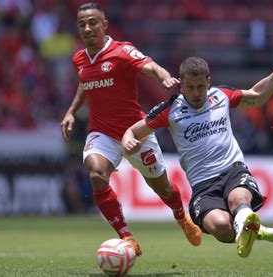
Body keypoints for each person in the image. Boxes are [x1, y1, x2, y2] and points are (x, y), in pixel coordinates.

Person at [122, 37, 273, 258]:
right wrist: (128, 139)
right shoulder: (170, 110)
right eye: (190, 87)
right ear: (181, 84)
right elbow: (134, 131)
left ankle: (245, 221)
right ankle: (252, 230)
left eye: (201, 86)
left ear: (209, 81)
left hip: (233, 170)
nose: (196, 92)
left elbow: (257, 97)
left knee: (238, 199)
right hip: (203, 185)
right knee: (221, 227)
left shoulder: (220, 96)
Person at [60, 2, 201, 256]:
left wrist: (163, 76)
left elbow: (149, 65)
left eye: (93, 22)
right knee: (96, 174)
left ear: (104, 25)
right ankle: (126, 237)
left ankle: (182, 218)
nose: (87, 28)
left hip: (136, 133)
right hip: (101, 133)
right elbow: (85, 83)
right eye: (82, 24)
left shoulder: (122, 51)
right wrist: (71, 111)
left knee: (163, 189)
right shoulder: (79, 58)